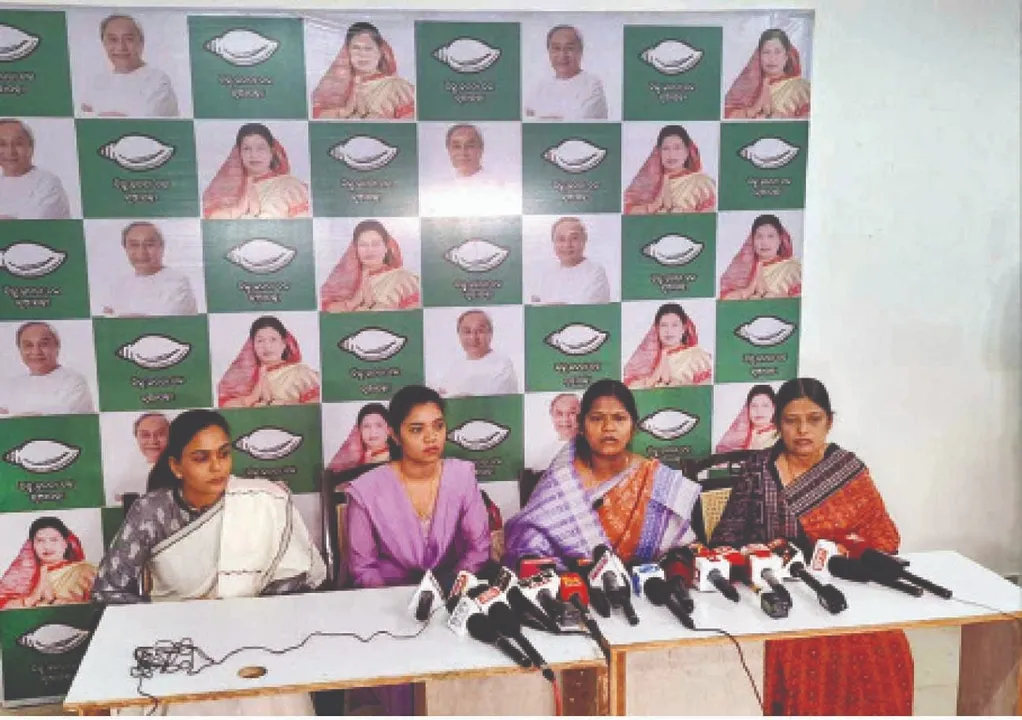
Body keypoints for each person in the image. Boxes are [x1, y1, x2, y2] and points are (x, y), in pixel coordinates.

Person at [92, 409, 325, 715]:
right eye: (201, 458)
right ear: (176, 466)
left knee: (265, 688)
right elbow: (109, 590)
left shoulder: (263, 501)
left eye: (224, 454)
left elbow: (295, 576)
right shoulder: (151, 512)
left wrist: (247, 621)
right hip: (177, 645)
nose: (217, 467)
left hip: (253, 639)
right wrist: (172, 625)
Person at [711, 378, 912, 715]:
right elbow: (723, 540)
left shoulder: (846, 469)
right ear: (777, 425)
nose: (803, 430)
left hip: (849, 592)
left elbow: (885, 537)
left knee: (886, 654)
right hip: (784, 597)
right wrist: (756, 552)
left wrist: (842, 549)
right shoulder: (758, 470)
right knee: (801, 665)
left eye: (814, 419)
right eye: (791, 420)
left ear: (829, 422)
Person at [346, 385, 491, 715]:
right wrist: (405, 607)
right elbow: (362, 568)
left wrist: (451, 592)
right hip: (389, 607)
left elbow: (478, 548)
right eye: (417, 429)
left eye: (438, 426)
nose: (431, 437)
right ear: (394, 435)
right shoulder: (367, 491)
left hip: (453, 598)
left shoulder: (461, 476)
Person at [505, 380, 701, 565]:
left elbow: (681, 547)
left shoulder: (654, 478)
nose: (608, 427)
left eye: (619, 418)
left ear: (633, 427)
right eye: (597, 418)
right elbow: (529, 543)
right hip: (573, 583)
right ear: (582, 426)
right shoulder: (563, 480)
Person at [202, 123, 310, 220]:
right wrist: (239, 209)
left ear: (272, 152)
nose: (253, 155)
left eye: (261, 148)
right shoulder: (226, 189)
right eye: (246, 149)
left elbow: (303, 227)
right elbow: (211, 223)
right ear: (239, 153)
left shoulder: (290, 186)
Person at [79, 15, 179, 118]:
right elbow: (84, 120)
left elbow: (146, 123)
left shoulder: (158, 81)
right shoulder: (96, 82)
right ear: (104, 44)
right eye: (113, 40)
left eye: (129, 39)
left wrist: (101, 116)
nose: (121, 47)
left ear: (141, 42)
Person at [311, 22, 415, 120]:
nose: (362, 54)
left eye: (368, 48)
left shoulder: (397, 87)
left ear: (380, 52)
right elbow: (312, 119)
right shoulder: (335, 87)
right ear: (347, 52)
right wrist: (344, 112)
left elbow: (412, 127)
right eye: (356, 48)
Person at [217, 316, 320, 408]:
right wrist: (252, 397)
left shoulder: (301, 373)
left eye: (273, 339)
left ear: (284, 343)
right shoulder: (242, 376)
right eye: (260, 341)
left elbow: (318, 409)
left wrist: (284, 405)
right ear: (252, 345)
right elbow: (225, 407)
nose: (267, 346)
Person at [320, 219, 421, 312]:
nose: (369, 250)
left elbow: (413, 319)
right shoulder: (343, 280)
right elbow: (324, 311)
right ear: (355, 249)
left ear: (386, 248)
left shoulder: (404, 279)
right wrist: (353, 303)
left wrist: (371, 303)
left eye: (376, 244)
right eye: (363, 245)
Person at [101, 222, 198, 317]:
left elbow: (161, 323)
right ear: (125, 248)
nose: (141, 252)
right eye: (134, 245)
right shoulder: (120, 285)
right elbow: (107, 318)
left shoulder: (178, 282)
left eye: (149, 245)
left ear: (162, 247)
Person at [0, 322, 94, 417]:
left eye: (43, 344)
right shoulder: (12, 386)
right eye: (28, 345)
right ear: (20, 349)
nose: (36, 351)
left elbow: (66, 419)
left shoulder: (74, 382)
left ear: (57, 346)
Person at [0, 517, 96, 610]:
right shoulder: (22, 576)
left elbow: (99, 606)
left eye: (54, 540)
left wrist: (56, 602)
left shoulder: (84, 570)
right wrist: (33, 598)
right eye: (40, 541)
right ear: (32, 545)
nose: (47, 546)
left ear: (66, 543)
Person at [423, 124, 515, 216]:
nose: (463, 152)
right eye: (456, 146)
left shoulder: (499, 188)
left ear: (481, 149)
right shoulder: (438, 190)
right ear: (449, 150)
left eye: (470, 146)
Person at [623, 125, 716, 215]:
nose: (671, 154)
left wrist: (681, 212)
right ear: (659, 153)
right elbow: (625, 210)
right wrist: (654, 206)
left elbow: (712, 217)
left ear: (687, 152)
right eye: (665, 149)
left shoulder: (702, 182)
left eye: (677, 148)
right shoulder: (647, 184)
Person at [524, 25, 608, 120]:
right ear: (549, 52)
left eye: (569, 48)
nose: (562, 55)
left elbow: (578, 120)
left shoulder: (592, 84)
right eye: (556, 48)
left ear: (580, 51)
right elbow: (528, 120)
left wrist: (542, 116)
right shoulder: (541, 87)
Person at [724, 29, 811, 120]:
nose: (772, 58)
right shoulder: (745, 89)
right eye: (766, 52)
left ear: (786, 57)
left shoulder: (800, 88)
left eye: (777, 52)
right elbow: (725, 118)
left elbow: (811, 123)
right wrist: (753, 110)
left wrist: (778, 117)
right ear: (759, 56)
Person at [623, 303, 713, 388]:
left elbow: (705, 390)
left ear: (684, 328)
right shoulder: (645, 360)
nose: (669, 331)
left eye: (674, 325)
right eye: (664, 325)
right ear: (657, 328)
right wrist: (652, 379)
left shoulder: (696, 356)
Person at [0, 119, 71, 220]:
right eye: (2, 144)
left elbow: (30, 225)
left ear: (30, 147)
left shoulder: (48, 183)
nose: (10, 151)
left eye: (18, 143)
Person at [437, 310, 518, 398]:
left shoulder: (502, 364)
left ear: (490, 334)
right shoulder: (456, 366)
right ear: (459, 335)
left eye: (480, 331)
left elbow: (491, 399)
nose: (473, 337)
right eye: (467, 332)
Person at [719, 214, 802, 300]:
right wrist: (749, 290)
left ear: (780, 239)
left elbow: (801, 302)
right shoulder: (741, 270)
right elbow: (725, 301)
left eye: (771, 236)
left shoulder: (792, 268)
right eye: (759, 237)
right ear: (752, 240)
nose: (764, 242)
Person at [530, 217, 611, 305]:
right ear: (553, 242)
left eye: (574, 238)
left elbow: (584, 309)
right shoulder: (548, 275)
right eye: (561, 239)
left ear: (584, 240)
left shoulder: (595, 272)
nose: (567, 245)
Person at [109, 413, 170, 504]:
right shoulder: (130, 475)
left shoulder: (182, 471)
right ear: (137, 437)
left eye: (160, 434)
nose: (153, 441)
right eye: (145, 435)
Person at [327, 402, 394, 473]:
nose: (373, 431)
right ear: (359, 431)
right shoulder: (353, 458)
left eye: (379, 425)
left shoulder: (396, 459)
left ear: (389, 430)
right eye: (366, 426)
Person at [715, 385, 779, 453]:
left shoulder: (780, 436)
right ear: (747, 409)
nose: (759, 411)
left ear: (773, 408)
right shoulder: (739, 434)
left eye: (765, 406)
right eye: (754, 406)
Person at [528, 393, 580, 473]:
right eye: (559, 413)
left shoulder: (593, 449)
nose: (565, 419)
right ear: (552, 415)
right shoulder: (545, 453)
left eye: (572, 413)